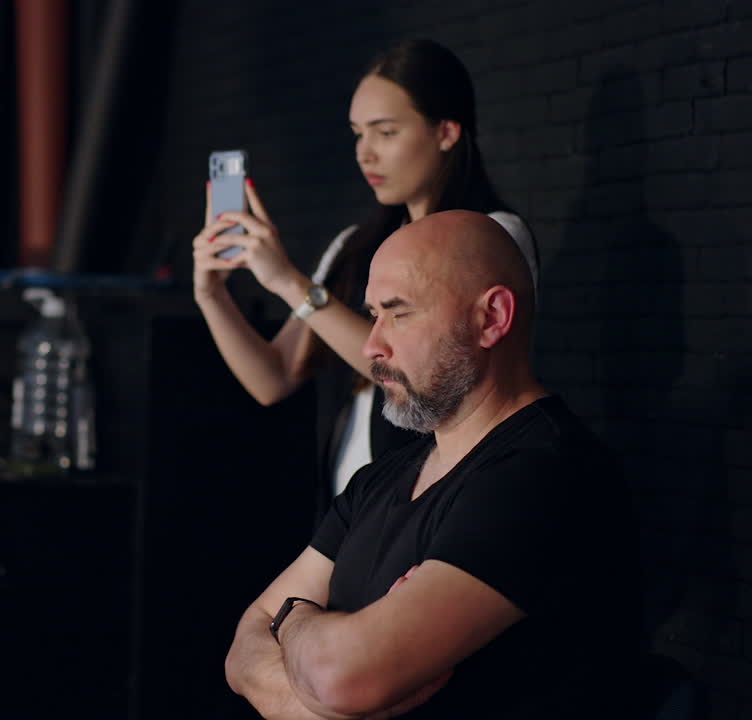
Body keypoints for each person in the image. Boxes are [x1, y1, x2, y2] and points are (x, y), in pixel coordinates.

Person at [223, 210, 637, 719]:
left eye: (399, 313)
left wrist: (293, 620)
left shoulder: (545, 475)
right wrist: (314, 691)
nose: (373, 345)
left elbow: (340, 675)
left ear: (492, 318)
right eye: (373, 314)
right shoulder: (379, 480)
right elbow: (242, 650)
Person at [192, 39, 538, 500]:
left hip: (437, 500)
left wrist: (290, 283)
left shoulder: (494, 237)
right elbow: (272, 378)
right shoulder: (353, 248)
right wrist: (211, 295)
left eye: (386, 132)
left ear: (446, 132)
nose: (365, 152)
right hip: (351, 511)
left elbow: (427, 369)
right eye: (358, 133)